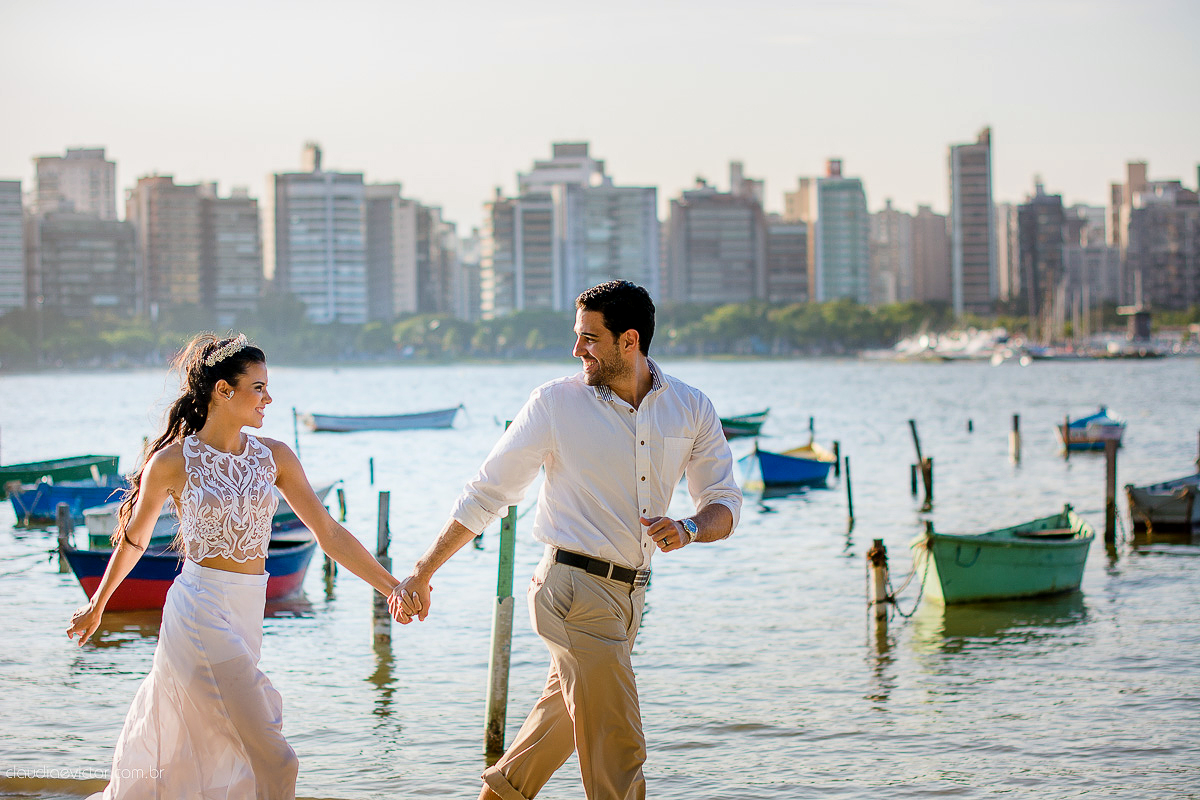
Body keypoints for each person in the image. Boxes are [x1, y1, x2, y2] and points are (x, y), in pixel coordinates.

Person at [392, 280, 742, 800]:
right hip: (572, 590)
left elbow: (724, 502)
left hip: (631, 598)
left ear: (630, 340)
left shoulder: (690, 407)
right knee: (618, 750)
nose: (577, 349)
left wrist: (690, 528)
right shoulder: (555, 404)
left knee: (549, 735)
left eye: (590, 338)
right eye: (577, 337)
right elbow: (487, 493)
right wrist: (423, 570)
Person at [67, 333, 406, 800]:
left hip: (247, 613)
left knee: (203, 755)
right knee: (277, 761)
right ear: (223, 391)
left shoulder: (276, 456)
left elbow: (329, 533)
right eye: (259, 388)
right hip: (198, 611)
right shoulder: (171, 461)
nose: (269, 398)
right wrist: (98, 604)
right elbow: (134, 541)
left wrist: (392, 586)